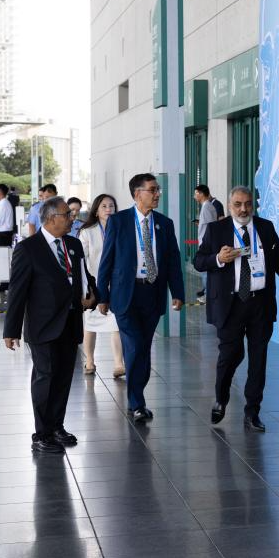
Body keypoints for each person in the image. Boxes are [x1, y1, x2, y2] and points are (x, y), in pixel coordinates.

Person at [194, 186, 279, 432]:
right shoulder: (216, 230)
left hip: (260, 304)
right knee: (229, 356)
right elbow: (198, 261)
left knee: (258, 359)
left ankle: (252, 412)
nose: (243, 209)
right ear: (229, 205)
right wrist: (218, 259)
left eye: (248, 204)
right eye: (238, 204)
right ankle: (221, 398)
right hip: (230, 305)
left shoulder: (265, 228)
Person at [3, 196, 96, 453]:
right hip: (43, 326)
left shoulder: (73, 244)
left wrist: (94, 295)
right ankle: (41, 434)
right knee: (45, 377)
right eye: (67, 215)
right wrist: (11, 330)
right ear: (51, 218)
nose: (72, 219)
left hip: (70, 322)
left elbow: (84, 277)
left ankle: (56, 426)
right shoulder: (28, 249)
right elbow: (17, 291)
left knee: (64, 377)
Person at [97, 173, 185, 423]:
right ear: (138, 194)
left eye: (158, 190)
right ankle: (137, 402)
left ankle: (137, 398)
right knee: (135, 345)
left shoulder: (165, 223)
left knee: (143, 348)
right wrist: (102, 295)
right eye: (153, 190)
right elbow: (107, 259)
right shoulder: (119, 221)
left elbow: (173, 261)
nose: (157, 194)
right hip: (126, 293)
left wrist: (177, 292)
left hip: (152, 292)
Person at [77, 194, 126, 378]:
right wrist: (85, 286)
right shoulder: (87, 231)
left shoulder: (122, 229)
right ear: (96, 211)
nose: (108, 209)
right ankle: (89, 361)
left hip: (117, 284)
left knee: (116, 324)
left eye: (111, 206)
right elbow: (81, 260)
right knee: (90, 324)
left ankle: (118, 363)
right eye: (104, 206)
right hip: (94, 284)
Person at [193, 185, 218, 300]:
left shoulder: (207, 207)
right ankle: (207, 293)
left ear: (201, 194)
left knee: (205, 271)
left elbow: (211, 227)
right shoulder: (208, 206)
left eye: (196, 193)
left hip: (207, 245)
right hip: (207, 243)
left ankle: (208, 295)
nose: (194, 196)